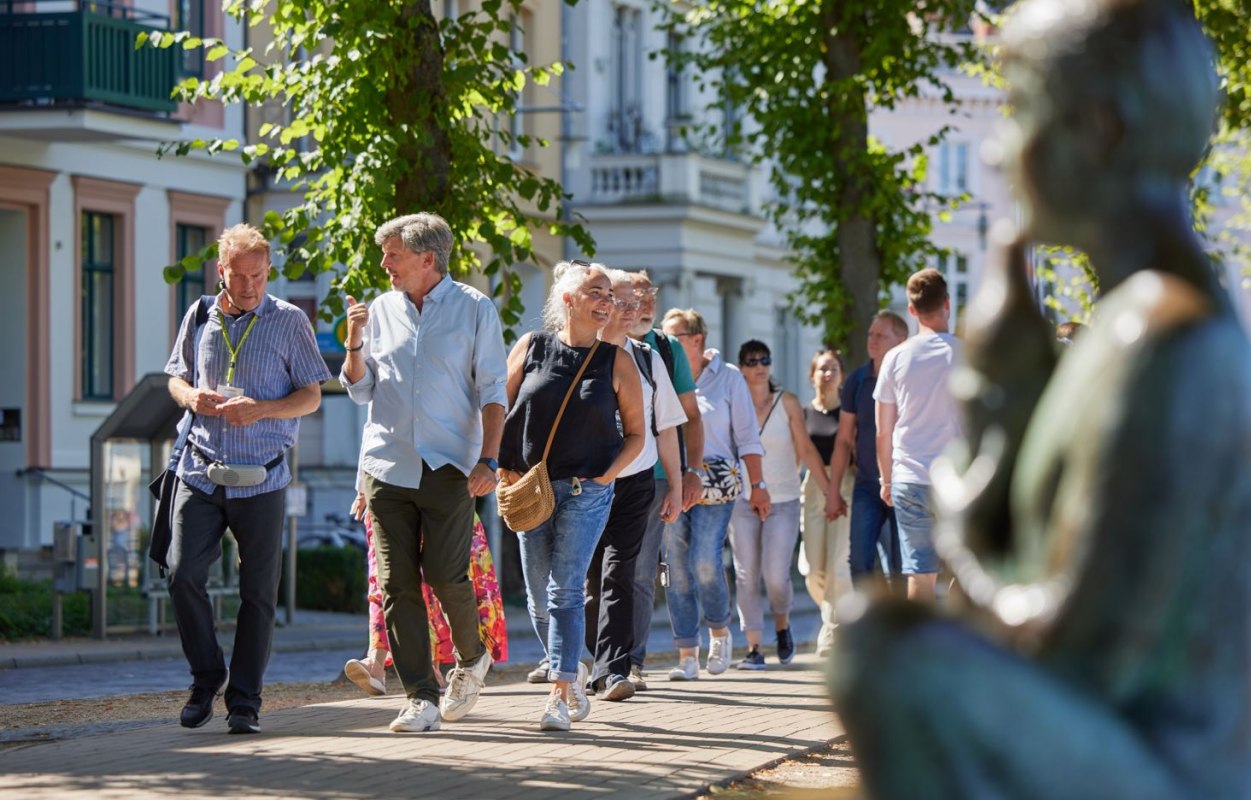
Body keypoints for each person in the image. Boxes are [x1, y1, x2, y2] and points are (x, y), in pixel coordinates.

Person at [833, 1, 1251, 796]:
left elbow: (1071, 648)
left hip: (1168, 765)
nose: (998, 147)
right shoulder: (1138, 326)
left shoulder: (1160, 343)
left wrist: (964, 499)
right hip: (1143, 740)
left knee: (881, 649)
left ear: (1098, 130)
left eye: (1023, 111)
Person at [341, 212, 507, 733]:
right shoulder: (380, 311)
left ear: (427, 258)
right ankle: (420, 697)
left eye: (393, 254)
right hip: (387, 468)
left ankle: (472, 655)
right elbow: (360, 390)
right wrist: (353, 343)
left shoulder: (474, 309)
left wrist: (490, 461)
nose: (384, 263)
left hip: (450, 467)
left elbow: (493, 393)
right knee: (395, 584)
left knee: (442, 573)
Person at [164, 223, 330, 734]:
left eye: (258, 276)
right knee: (180, 573)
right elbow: (175, 377)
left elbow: (312, 395)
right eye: (240, 276)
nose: (250, 286)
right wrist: (191, 397)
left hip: (262, 478)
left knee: (258, 594)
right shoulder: (199, 316)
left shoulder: (289, 321)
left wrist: (262, 411)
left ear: (268, 271)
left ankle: (244, 702)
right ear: (222, 272)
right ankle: (206, 676)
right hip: (201, 470)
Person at [501, 260, 645, 731]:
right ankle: (573, 668)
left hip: (587, 491)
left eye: (610, 295)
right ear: (568, 300)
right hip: (530, 488)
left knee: (565, 590)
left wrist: (607, 478)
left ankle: (560, 692)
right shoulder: (532, 347)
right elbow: (500, 409)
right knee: (538, 600)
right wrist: (499, 466)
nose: (607, 303)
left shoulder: (616, 360)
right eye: (597, 293)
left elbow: (638, 436)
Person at [582, 269, 686, 701]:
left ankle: (616, 668)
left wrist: (677, 486)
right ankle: (588, 662)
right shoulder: (578, 352)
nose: (631, 311)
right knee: (587, 581)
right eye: (621, 302)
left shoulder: (648, 358)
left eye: (633, 303)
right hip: (584, 483)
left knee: (622, 574)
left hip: (636, 482)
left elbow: (666, 429)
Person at [660, 308, 768, 680]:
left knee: (704, 561)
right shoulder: (662, 374)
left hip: (716, 483)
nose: (665, 342)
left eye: (672, 336)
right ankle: (687, 654)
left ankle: (719, 632)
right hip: (672, 480)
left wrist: (760, 486)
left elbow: (748, 437)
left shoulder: (729, 378)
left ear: (696, 339)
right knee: (676, 569)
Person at [342, 491, 508, 697]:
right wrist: (363, 485)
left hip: (441, 497)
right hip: (388, 496)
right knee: (384, 583)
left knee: (436, 583)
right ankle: (375, 664)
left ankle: (433, 667)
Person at [624, 269, 704, 690]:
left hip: (654, 475)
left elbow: (688, 417)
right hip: (603, 475)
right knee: (598, 572)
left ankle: (631, 662)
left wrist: (688, 473)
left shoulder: (666, 349)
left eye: (650, 293)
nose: (647, 300)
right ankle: (600, 658)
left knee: (640, 570)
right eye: (638, 293)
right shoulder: (600, 341)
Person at [730, 340, 829, 669]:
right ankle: (754, 648)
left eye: (764, 360)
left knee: (775, 574)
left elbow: (806, 447)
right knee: (746, 575)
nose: (759, 366)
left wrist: (828, 490)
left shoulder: (786, 402)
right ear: (741, 367)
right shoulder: (734, 401)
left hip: (784, 498)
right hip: (742, 499)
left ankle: (783, 626)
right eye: (751, 360)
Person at [874, 269, 961, 602]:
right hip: (956, 477)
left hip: (909, 475)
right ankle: (960, 644)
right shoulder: (967, 353)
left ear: (912, 310)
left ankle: (920, 650)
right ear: (947, 303)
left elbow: (884, 429)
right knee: (964, 571)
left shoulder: (896, 358)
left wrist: (886, 480)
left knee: (919, 572)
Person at [825, 312, 908, 591]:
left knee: (902, 566)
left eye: (881, 336)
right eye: (871, 334)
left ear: (901, 340)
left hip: (904, 483)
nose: (872, 340)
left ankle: (903, 630)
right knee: (859, 561)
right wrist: (833, 492)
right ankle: (874, 623)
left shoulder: (909, 379)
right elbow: (844, 440)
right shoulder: (857, 380)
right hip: (867, 485)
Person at [798, 348, 851, 657]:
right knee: (813, 569)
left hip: (846, 485)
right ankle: (836, 613)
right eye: (822, 369)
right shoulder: (804, 414)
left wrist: (837, 490)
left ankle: (831, 633)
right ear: (812, 375)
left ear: (842, 376)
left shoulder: (848, 413)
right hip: (813, 487)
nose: (828, 374)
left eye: (833, 369)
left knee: (837, 566)